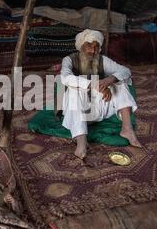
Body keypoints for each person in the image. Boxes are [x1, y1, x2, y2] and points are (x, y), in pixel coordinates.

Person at [60, 29, 141, 159]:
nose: (93, 50)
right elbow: (65, 78)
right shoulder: (69, 60)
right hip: (77, 111)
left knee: (120, 82)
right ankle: (81, 142)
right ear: (81, 46)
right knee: (73, 89)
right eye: (89, 46)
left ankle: (127, 129)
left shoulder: (102, 60)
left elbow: (125, 71)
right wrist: (96, 85)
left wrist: (109, 80)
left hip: (100, 109)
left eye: (96, 47)